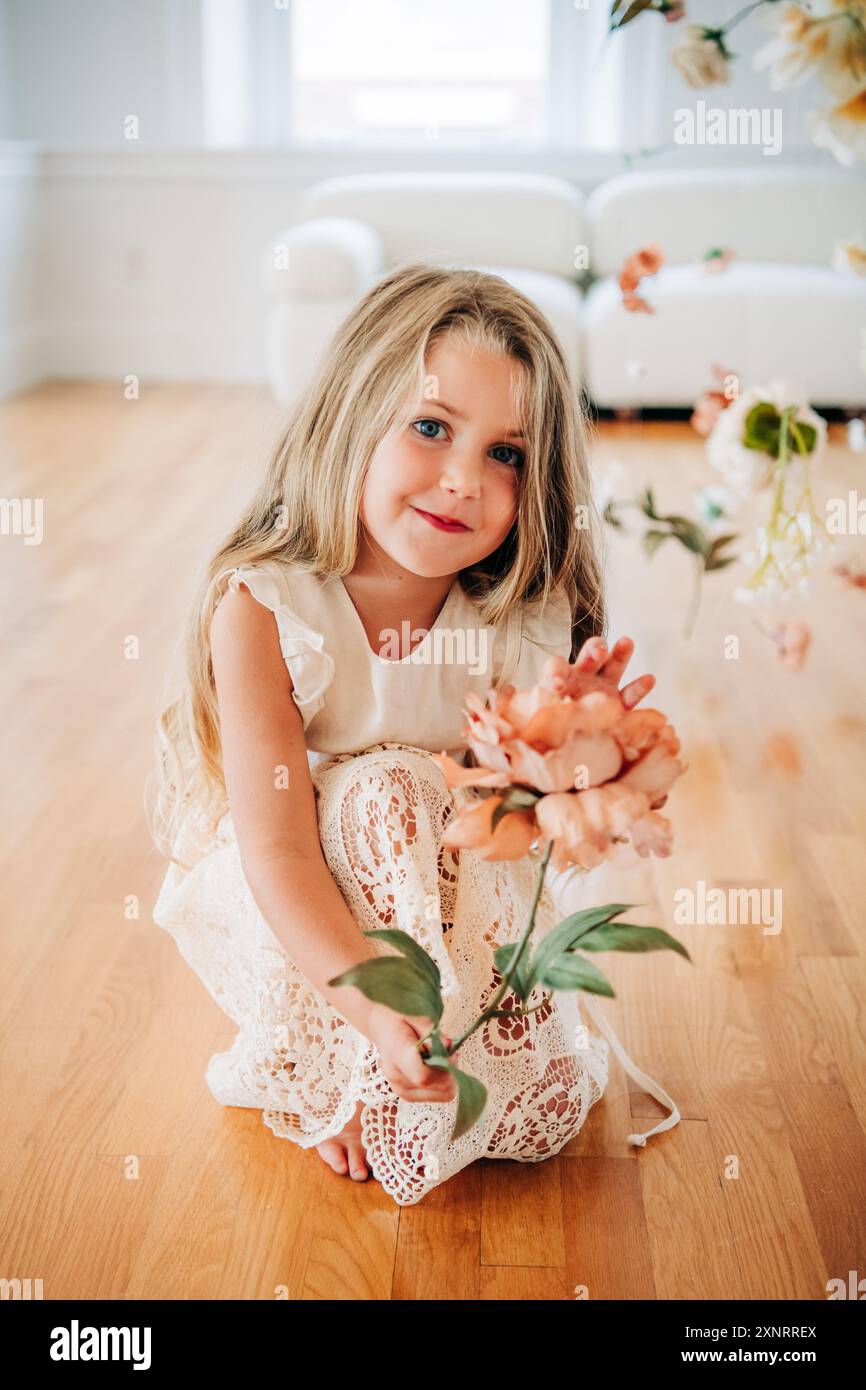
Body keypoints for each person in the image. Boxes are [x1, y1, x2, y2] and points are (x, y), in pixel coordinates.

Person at [147, 262, 679, 1208]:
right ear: (352, 416)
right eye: (430, 428)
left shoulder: (518, 614)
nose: (464, 482)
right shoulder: (269, 607)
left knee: (539, 1112)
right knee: (385, 787)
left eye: (507, 455)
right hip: (307, 903)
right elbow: (279, 854)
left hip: (453, 891)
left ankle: (426, 1056)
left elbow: (539, 829)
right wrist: (374, 1018)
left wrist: (588, 755)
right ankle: (356, 1069)